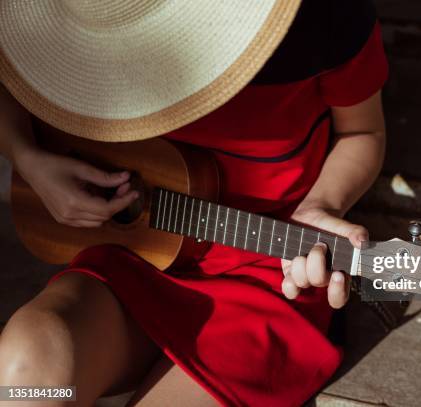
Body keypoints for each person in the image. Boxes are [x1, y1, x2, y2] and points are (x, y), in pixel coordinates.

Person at [0, 1, 387, 406]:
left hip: (268, 272)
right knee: (26, 370)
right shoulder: (78, 14)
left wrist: (322, 205)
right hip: (126, 263)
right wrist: (26, 156)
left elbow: (363, 132)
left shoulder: (318, 15)